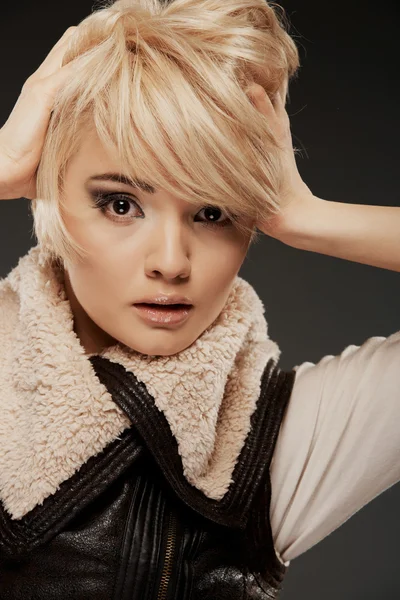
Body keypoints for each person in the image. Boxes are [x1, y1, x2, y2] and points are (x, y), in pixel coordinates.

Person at [0, 0, 399, 598]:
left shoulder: (272, 443)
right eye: (120, 203)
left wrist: (307, 216)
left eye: (213, 212)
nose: (170, 261)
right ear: (49, 198)